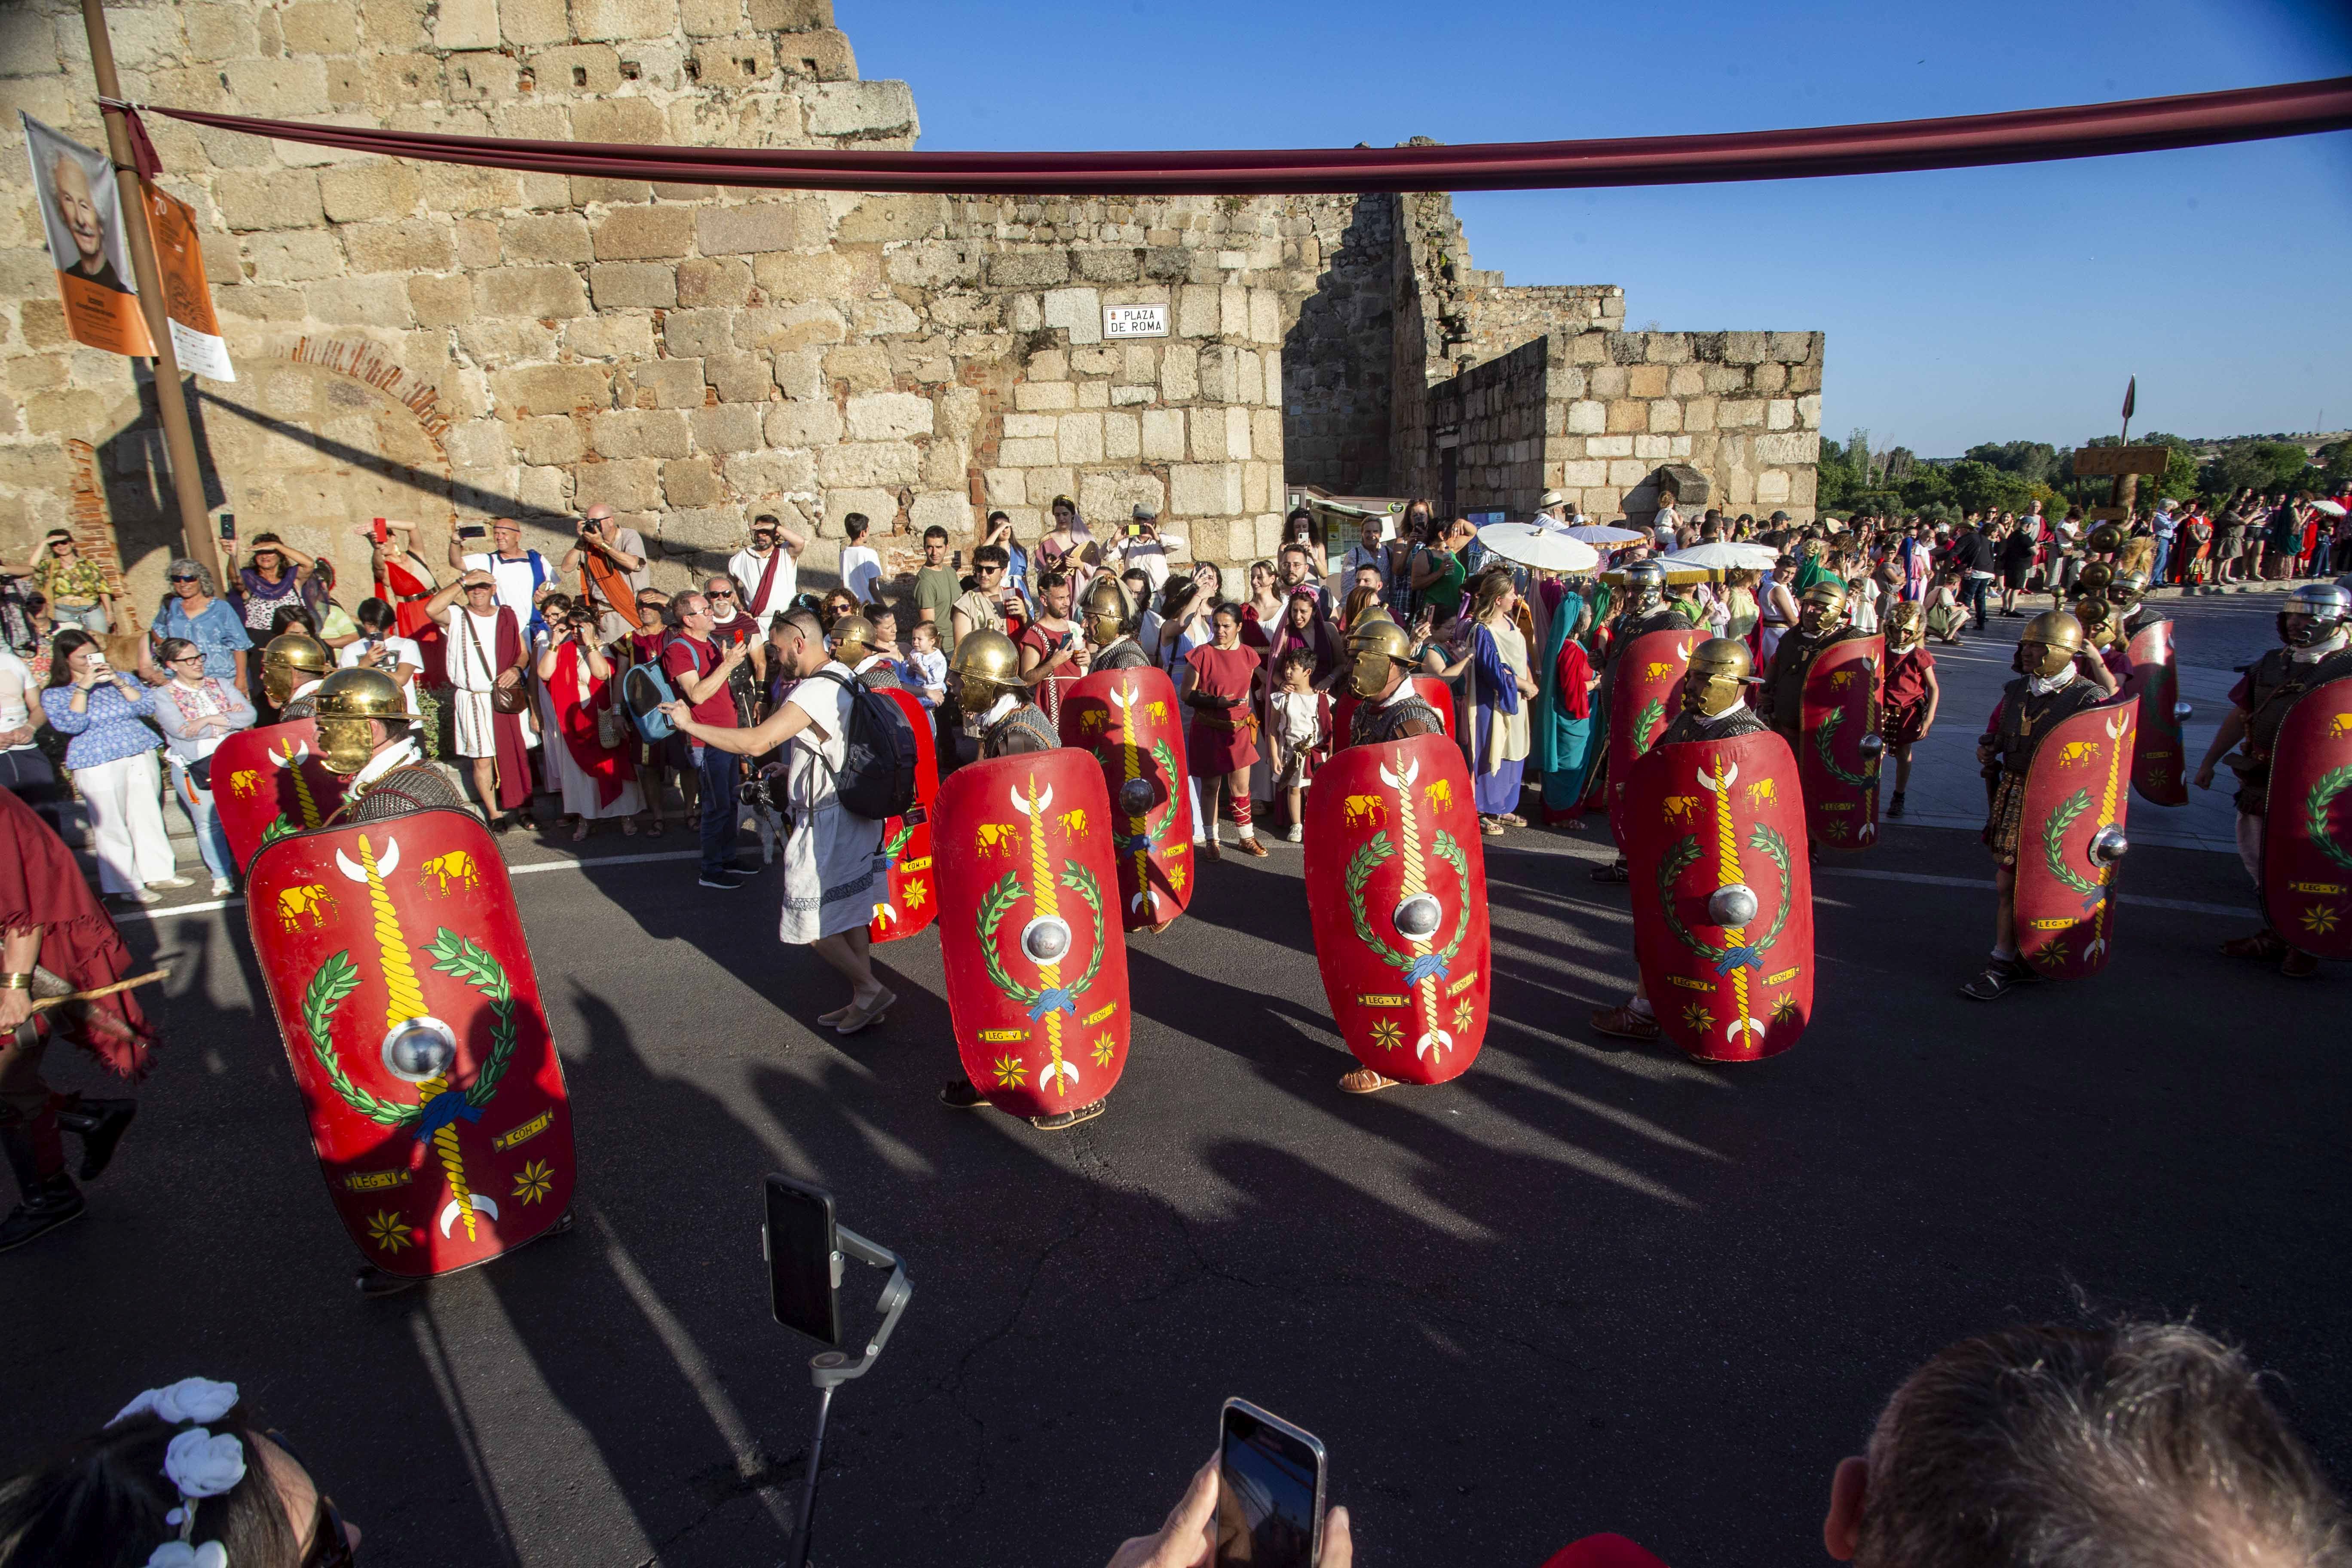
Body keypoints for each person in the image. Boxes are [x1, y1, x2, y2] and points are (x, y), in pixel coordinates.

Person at [664, 607, 892, 1026]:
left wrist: (689, 725)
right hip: (852, 812)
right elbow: (837, 743)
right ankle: (864, 999)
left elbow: (755, 743)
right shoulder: (845, 676)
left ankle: (873, 990)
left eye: (777, 648)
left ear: (799, 644)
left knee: (811, 920)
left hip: (829, 821)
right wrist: (796, 769)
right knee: (848, 912)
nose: (774, 656)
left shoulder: (814, 690)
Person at [1590, 637, 1771, 1042]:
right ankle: (1647, 1010)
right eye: (1691, 675)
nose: (1690, 685)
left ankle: (1712, 1023)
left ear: (1734, 683)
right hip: (1675, 849)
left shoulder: (1747, 738)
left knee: (1710, 940)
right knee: (1658, 931)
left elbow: (1752, 820)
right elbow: (1658, 768)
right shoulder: (1690, 721)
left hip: (1719, 865)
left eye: (1704, 678)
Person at [0, 785, 156, 1253]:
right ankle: (92, 1119)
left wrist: (15, 988)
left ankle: (50, 1196)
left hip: (19, 963)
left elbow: (21, 907)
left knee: (7, 1086)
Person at [2194, 583, 2352, 979]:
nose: (2297, 623)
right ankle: (2281, 932)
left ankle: (2305, 942)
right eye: (2292, 615)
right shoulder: (2271, 664)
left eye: (2306, 615)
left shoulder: (2347, 669)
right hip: (2263, 779)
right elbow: (2239, 714)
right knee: (2262, 862)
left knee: (2311, 866)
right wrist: (2209, 760)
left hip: (2324, 790)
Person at [1959, 612, 2115, 1001]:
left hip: (2062, 806)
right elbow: (1996, 729)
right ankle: (2003, 960)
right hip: (2014, 793)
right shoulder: (2015, 690)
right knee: (2007, 882)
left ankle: (2025, 956)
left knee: (2046, 884)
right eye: (2026, 645)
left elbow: (2105, 753)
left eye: (2037, 647)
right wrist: (1989, 747)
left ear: (2062, 652)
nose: (2028, 652)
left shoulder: (2089, 699)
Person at [38, 631, 185, 904]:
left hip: (137, 751)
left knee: (147, 814)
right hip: (96, 761)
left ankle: (159, 871)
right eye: (82, 658)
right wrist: (83, 687)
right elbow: (72, 724)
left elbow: (145, 705)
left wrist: (118, 681)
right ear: (66, 661)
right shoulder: (56, 694)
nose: (91, 661)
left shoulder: (122, 679)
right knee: (111, 823)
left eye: (94, 654)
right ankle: (124, 884)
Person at [426, 568, 535, 830]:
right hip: (474, 699)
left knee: (516, 752)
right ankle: (495, 814)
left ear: (493, 590)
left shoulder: (507, 616)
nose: (478, 591)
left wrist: (516, 669)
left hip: (506, 694)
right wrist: (462, 580)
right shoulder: (456, 616)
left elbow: (523, 653)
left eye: (484, 586)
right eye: (473, 587)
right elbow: (431, 609)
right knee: (482, 759)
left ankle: (523, 808)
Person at [149, 637, 257, 896]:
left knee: (247, 818)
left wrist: (209, 719)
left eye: (199, 657)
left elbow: (250, 716)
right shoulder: (164, 696)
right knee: (210, 823)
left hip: (234, 762)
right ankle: (221, 876)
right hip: (196, 766)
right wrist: (229, 720)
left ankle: (253, 872)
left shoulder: (220, 683)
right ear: (172, 665)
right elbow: (182, 731)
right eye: (189, 660)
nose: (197, 663)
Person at [662, 591, 753, 889]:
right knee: (715, 807)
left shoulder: (710, 642)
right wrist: (727, 664)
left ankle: (727, 859)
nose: (712, 612)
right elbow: (697, 694)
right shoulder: (679, 650)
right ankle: (711, 870)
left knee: (729, 802)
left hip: (726, 737)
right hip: (706, 740)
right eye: (705, 609)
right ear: (688, 619)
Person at [536, 604, 641, 842]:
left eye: (580, 627)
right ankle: (586, 818)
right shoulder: (562, 650)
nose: (575, 632)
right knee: (579, 775)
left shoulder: (604, 649)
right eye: (572, 627)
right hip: (570, 721)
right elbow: (544, 673)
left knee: (612, 768)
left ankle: (625, 816)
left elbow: (602, 673)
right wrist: (555, 640)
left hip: (599, 717)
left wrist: (590, 641)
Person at [1183, 603, 1265, 860]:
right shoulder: (1201, 654)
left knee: (1241, 788)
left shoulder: (1250, 655)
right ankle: (1211, 840)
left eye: (1226, 626)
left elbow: (1254, 686)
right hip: (1208, 729)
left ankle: (1246, 838)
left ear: (1239, 627)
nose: (1220, 630)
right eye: (1216, 625)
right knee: (1210, 788)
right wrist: (1216, 702)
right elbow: (1186, 694)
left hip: (1239, 730)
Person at [1462, 571, 1535, 833]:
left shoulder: (1513, 624)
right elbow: (1493, 670)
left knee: (1512, 750)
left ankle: (1501, 806)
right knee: (1489, 750)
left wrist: (1529, 682)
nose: (1516, 598)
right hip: (1490, 701)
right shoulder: (1482, 630)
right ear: (1498, 599)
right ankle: (1481, 808)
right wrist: (1524, 685)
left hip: (1516, 697)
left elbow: (1522, 660)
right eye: (1512, 594)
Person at [1532, 570, 1600, 827]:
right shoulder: (1571, 650)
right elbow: (1572, 691)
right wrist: (1596, 683)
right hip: (1571, 719)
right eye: (1590, 616)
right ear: (1580, 622)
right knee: (1567, 767)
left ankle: (1557, 808)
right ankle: (1560, 815)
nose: (1592, 619)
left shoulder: (1571, 645)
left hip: (1570, 718)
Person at [1877, 603, 1938, 819]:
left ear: (1915, 631)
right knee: (1876, 755)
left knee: (1904, 754)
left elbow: (1934, 687)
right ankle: (1871, 795)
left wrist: (1929, 719)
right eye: (1897, 629)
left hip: (1907, 713)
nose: (1901, 635)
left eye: (1907, 631)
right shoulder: (1881, 651)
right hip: (1881, 711)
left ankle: (1899, 796)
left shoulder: (1920, 656)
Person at [1264, 646, 1330, 842]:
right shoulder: (1282, 697)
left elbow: (1328, 732)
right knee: (1293, 789)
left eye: (1293, 668)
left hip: (1314, 755)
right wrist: (1275, 756)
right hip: (1290, 753)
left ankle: (1313, 823)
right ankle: (1296, 825)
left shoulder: (1321, 699)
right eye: (1287, 667)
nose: (1288, 672)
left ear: (1307, 672)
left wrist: (1331, 758)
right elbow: (1273, 729)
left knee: (1313, 790)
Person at [558, 503, 652, 640]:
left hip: (627, 611)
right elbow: (566, 567)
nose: (593, 526)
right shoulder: (588, 544)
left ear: (610, 521)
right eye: (589, 522)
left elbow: (634, 564)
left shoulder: (629, 536)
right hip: (601, 615)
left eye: (596, 522)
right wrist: (581, 541)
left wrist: (601, 544)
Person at [450, 516, 552, 640]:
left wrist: (546, 598)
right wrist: (455, 542)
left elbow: (552, 590)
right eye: (496, 534)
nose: (499, 538)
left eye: (504, 534)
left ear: (517, 536)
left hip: (537, 631)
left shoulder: (537, 560)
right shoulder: (488, 561)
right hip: (506, 631)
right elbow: (457, 563)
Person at [1016, 570, 1089, 726]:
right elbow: (1027, 679)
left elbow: (1084, 668)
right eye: (1060, 598)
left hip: (1078, 705)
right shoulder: (1035, 634)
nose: (1067, 603)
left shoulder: (1074, 628)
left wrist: (1088, 659)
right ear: (1044, 600)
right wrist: (1053, 663)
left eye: (1068, 597)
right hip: (1051, 711)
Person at [3, 530, 113, 634]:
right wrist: (44, 543)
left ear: (72, 544)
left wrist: (109, 612)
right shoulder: (49, 565)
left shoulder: (89, 565)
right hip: (63, 612)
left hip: (90, 611)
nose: (60, 546)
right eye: (55, 544)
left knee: (101, 643)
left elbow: (103, 589)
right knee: (70, 646)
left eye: (64, 542)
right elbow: (31, 567)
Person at [702, 573, 767, 723]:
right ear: (707, 598)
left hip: (743, 695)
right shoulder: (701, 626)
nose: (721, 598)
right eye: (715, 594)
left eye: (726, 594)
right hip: (711, 693)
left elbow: (760, 664)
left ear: (733, 597)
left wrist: (761, 699)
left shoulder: (747, 624)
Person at [227, 531, 318, 635]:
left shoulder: (292, 578)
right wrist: (232, 555)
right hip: (261, 638)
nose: (265, 556)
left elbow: (309, 564)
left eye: (270, 552)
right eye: (260, 552)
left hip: (292, 639)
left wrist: (277, 546)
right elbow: (236, 580)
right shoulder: (250, 579)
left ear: (280, 555)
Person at [0, 638, 54, 813]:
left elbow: (40, 707)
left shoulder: (11, 662)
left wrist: (30, 728)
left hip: (28, 752)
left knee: (46, 819)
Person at [727, 511, 806, 626]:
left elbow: (800, 542)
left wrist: (775, 527)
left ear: (776, 534)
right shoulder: (743, 556)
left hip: (785, 620)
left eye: (766, 532)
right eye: (758, 531)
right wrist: (739, 605)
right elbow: (730, 581)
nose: (760, 535)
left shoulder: (785, 552)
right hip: (756, 620)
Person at [1078, 574, 1151, 671]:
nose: (1083, 625)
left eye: (1090, 618)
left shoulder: (1129, 658)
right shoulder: (1109, 651)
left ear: (1110, 620)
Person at [952, 545, 1019, 651]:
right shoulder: (966, 604)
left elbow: (1029, 634)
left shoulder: (1014, 596)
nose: (983, 574)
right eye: (979, 569)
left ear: (1003, 571)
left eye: (990, 570)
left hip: (1015, 663)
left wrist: (1024, 616)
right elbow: (961, 651)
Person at [911, 524, 962, 651]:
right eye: (930, 547)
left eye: (939, 547)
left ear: (947, 548)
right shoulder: (925, 581)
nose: (935, 553)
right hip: (943, 649)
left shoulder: (951, 572)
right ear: (924, 548)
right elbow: (928, 628)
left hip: (959, 642)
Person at [1118, 502, 1185, 593]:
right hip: (1133, 595)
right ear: (1134, 521)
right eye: (1138, 519)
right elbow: (1105, 556)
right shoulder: (1127, 543)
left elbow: (1180, 543)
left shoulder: (1161, 542)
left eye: (1145, 519)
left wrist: (1157, 538)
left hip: (1157, 596)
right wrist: (1114, 541)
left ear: (1153, 521)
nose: (1141, 522)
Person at [829, 613, 903, 691]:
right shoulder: (863, 675)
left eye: (836, 645)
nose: (831, 650)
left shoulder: (877, 680)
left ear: (861, 646)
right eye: (831, 644)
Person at [902, 620, 948, 707]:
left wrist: (923, 673)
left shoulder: (938, 658)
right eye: (914, 638)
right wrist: (911, 668)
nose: (915, 642)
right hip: (919, 692)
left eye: (920, 639)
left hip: (932, 693)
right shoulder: (914, 653)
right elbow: (908, 675)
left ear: (932, 641)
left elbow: (938, 677)